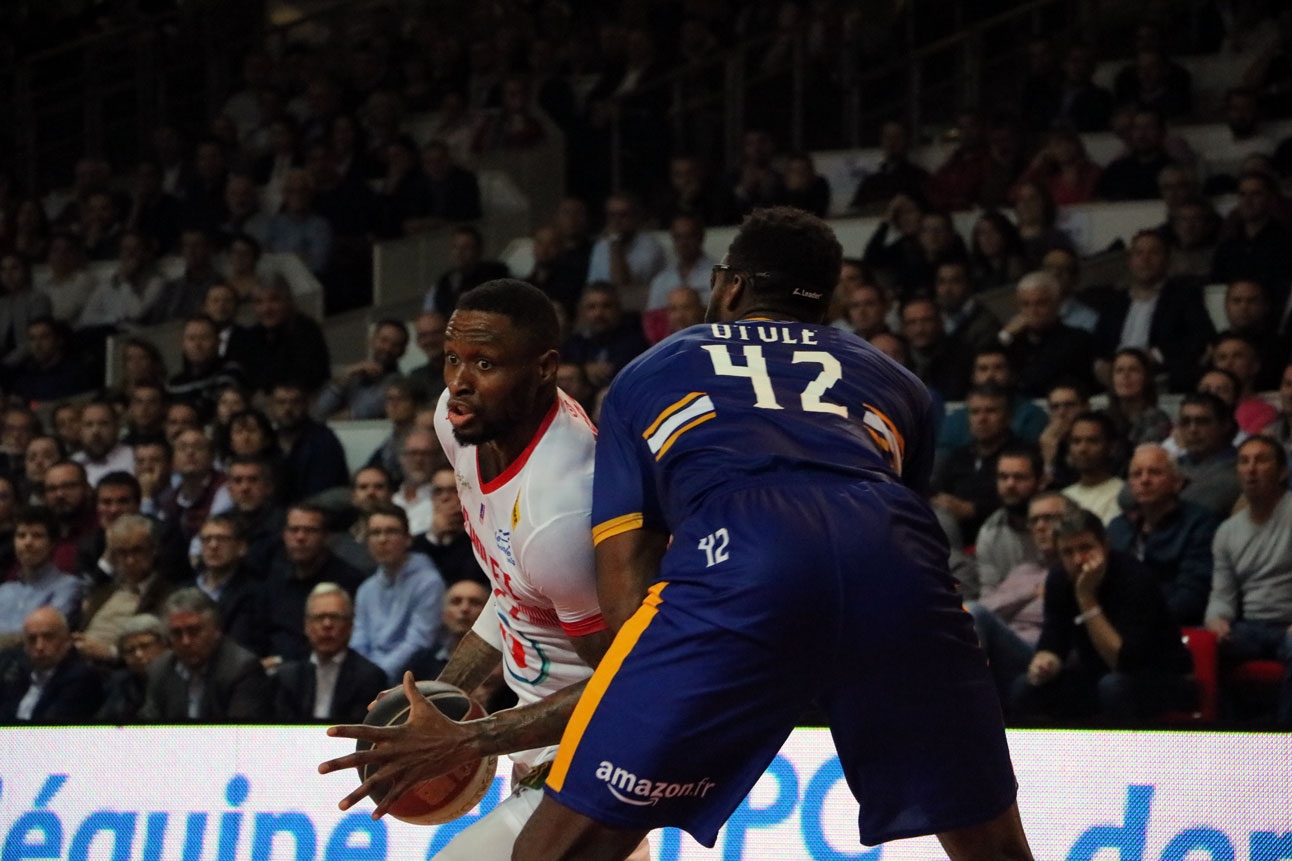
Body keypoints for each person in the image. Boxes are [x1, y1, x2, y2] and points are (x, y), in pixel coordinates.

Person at [442, 208, 1034, 860]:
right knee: (994, 846)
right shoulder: (900, 380)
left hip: (741, 557)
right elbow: (882, 532)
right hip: (896, 560)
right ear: (828, 301)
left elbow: (624, 592)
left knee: (549, 850)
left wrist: (636, 718)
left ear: (727, 287)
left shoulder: (648, 372)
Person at [319, 280, 655, 861]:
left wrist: (466, 738)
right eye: (452, 359)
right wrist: (438, 700)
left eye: (484, 363)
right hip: (539, 759)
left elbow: (630, 687)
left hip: (595, 768)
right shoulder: (459, 426)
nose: (458, 382)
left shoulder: (562, 509)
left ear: (544, 368)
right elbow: (513, 588)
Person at [1011, 508, 1195, 722]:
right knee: (1025, 687)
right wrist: (1044, 664)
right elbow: (1053, 642)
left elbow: (1124, 662)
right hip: (1097, 676)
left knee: (1113, 686)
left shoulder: (1135, 578)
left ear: (1105, 545)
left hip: (1164, 679)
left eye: (1086, 548)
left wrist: (1087, 598)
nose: (1078, 559)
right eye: (1068, 552)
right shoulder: (1059, 579)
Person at [1205, 434, 1292, 727]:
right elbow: (1222, 594)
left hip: (1289, 624)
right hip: (1250, 626)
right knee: (1201, 647)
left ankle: (1284, 742)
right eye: (1244, 461)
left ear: (1282, 472)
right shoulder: (1227, 532)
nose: (1251, 468)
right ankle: (1225, 738)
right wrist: (1217, 620)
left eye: (1261, 460)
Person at [967, 491, 1074, 707]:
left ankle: (965, 709)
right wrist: (1031, 592)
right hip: (1003, 648)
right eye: (1035, 520)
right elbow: (985, 609)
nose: (1041, 527)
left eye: (1050, 518)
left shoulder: (1075, 572)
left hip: (1041, 654)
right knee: (966, 614)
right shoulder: (1023, 571)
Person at [1107, 444, 1218, 627]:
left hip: (1170, 626)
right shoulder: (1118, 526)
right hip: (1120, 623)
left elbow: (1192, 594)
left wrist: (1140, 620)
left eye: (1155, 473)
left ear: (1177, 482)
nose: (1144, 480)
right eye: (1137, 474)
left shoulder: (1199, 524)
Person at [140, 587, 272, 722]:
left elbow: (238, 736)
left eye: (194, 631)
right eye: (177, 633)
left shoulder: (242, 669)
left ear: (216, 630)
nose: (185, 641)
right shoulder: (161, 668)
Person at [350, 503, 444, 683]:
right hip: (366, 678)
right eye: (375, 533)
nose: (382, 540)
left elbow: (419, 641)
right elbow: (358, 640)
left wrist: (376, 675)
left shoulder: (429, 582)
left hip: (411, 678)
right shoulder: (366, 589)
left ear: (408, 538)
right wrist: (360, 675)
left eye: (391, 532)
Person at [274, 582, 387, 722]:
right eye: (319, 617)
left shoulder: (370, 677)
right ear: (306, 626)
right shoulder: (288, 676)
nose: (327, 625)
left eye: (335, 617)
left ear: (350, 626)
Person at [0, 606, 103, 723]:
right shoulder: (13, 670)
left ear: (67, 641)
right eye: (32, 639)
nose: (39, 647)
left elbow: (50, 727)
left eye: (48, 637)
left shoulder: (82, 677)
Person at [0, 506, 84, 645]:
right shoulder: (4, 590)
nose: (27, 542)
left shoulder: (68, 586)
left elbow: (45, 633)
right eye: (21, 535)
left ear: (52, 544)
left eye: (37, 536)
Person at [973, 446, 1044, 600]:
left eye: (1019, 478)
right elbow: (989, 594)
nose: (1010, 484)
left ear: (1041, 481)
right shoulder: (990, 531)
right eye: (1003, 477)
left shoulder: (1060, 522)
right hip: (1008, 615)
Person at [1060, 411, 1126, 525]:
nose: (1082, 449)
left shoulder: (1122, 494)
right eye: (1076, 441)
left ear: (1112, 447)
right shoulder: (1064, 496)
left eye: (1092, 441)